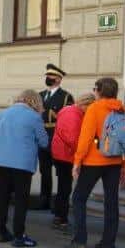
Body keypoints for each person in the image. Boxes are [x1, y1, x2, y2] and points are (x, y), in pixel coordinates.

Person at [68, 77, 125, 248]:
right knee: (111, 202)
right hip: (115, 161)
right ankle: (108, 243)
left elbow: (86, 138)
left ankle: (79, 241)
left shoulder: (94, 108)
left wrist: (77, 161)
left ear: (99, 91)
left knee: (79, 198)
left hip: (94, 160)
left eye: (95, 89)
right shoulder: (123, 109)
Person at [0, 90, 49, 247]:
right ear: (35, 102)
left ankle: (1, 231)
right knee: (21, 200)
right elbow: (44, 142)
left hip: (1, 160)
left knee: (3, 197)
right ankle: (19, 235)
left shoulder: (3, 113)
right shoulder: (34, 117)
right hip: (22, 163)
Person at [51, 93, 94, 232]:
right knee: (65, 188)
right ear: (85, 104)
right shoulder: (74, 115)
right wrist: (83, 152)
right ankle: (61, 218)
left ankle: (59, 215)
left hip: (59, 153)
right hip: (66, 155)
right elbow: (73, 139)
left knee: (63, 187)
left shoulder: (66, 110)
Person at [38, 64, 74, 210]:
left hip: (57, 138)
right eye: (47, 75)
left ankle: (60, 203)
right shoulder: (40, 95)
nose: (48, 77)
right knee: (44, 171)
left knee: (61, 173)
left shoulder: (66, 97)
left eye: (51, 75)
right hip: (42, 137)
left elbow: (69, 118)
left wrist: (54, 115)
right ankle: (44, 200)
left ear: (59, 79)